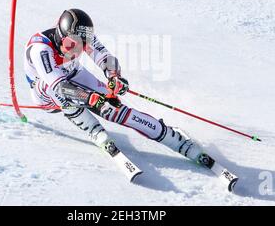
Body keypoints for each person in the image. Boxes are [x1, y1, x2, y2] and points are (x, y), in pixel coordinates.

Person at [23, 8, 209, 165]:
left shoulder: (82, 37)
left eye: (81, 46)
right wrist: (88, 98)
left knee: (112, 105)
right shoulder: (41, 49)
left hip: (73, 75)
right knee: (57, 91)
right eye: (70, 44)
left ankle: (171, 137)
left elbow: (105, 57)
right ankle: (93, 130)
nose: (75, 50)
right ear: (59, 34)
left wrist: (114, 77)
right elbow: (59, 86)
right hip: (46, 94)